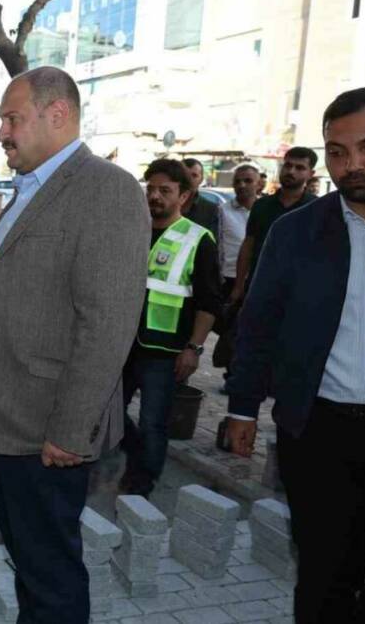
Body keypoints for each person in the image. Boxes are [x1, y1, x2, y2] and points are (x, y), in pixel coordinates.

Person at [0, 67, 149, 623]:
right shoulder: (31, 189)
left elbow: (107, 322)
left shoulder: (106, 190)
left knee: (51, 576)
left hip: (47, 430)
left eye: (12, 118)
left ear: (57, 114)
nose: (1, 132)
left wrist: (71, 429)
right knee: (33, 567)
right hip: (8, 420)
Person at [224, 87, 365, 624]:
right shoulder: (295, 232)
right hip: (319, 434)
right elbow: (259, 323)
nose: (352, 165)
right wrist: (243, 407)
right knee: (324, 574)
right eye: (337, 152)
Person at [119, 159, 220, 497]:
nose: (155, 196)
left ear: (184, 196)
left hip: (165, 350)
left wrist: (194, 348)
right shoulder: (131, 230)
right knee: (108, 414)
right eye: (151, 189)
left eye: (165, 190)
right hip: (122, 343)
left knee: (152, 423)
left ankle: (141, 482)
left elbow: (209, 303)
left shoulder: (198, 239)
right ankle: (137, 455)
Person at [229, 147, 318, 304]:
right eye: (288, 165)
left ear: (311, 174)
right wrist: (238, 286)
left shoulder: (317, 208)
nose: (291, 171)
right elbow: (248, 245)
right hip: (259, 289)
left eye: (300, 168)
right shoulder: (261, 205)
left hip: (299, 293)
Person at [213, 163, 260, 390]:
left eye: (247, 181)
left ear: (259, 182)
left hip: (257, 279)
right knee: (229, 330)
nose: (242, 185)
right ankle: (232, 374)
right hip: (229, 279)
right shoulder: (223, 210)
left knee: (246, 332)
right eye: (238, 181)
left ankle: (237, 375)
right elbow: (218, 244)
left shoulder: (264, 210)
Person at [182, 158, 220, 241]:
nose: (189, 179)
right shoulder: (166, 204)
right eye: (185, 175)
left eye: (194, 175)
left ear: (201, 180)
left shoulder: (211, 210)